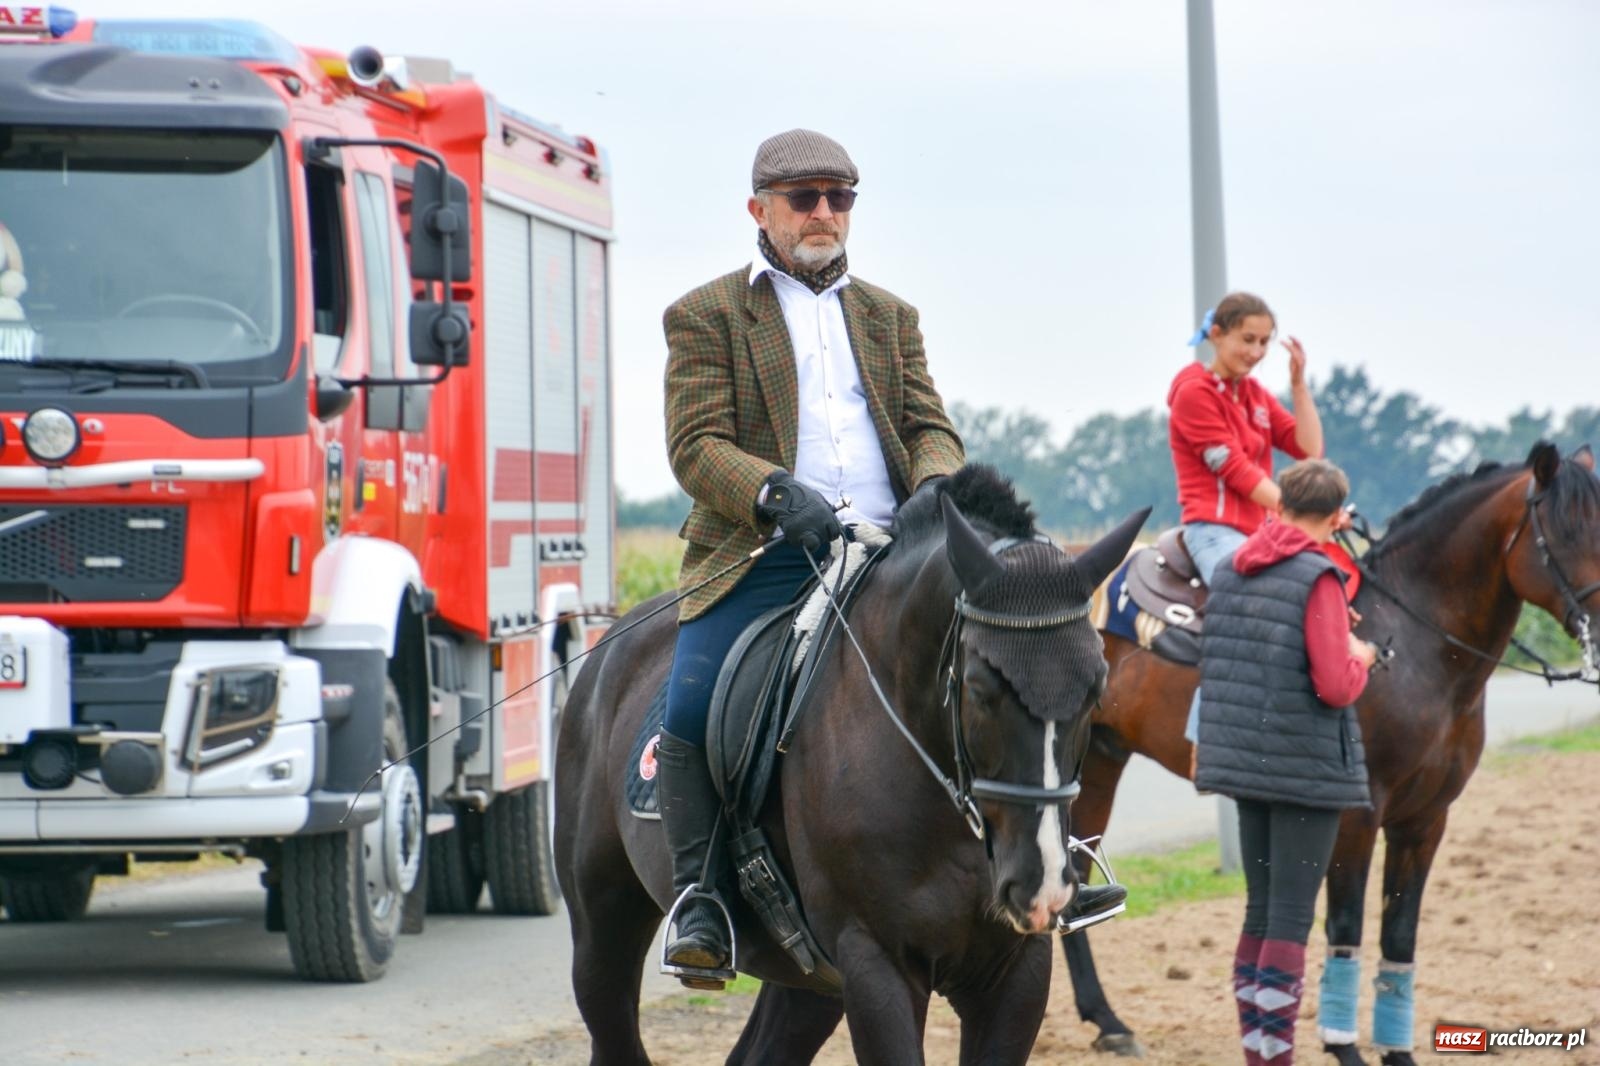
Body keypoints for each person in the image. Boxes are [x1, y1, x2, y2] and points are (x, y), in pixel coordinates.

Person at [655, 129, 967, 986]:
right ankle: (701, 899)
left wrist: (937, 482)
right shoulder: (707, 312)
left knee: (1011, 665)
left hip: (893, 552)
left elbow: (929, 426)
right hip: (766, 556)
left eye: (840, 196)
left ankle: (1044, 860)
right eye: (805, 198)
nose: (825, 212)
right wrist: (770, 491)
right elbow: (696, 443)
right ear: (760, 209)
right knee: (689, 709)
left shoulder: (890, 316)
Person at [1193, 459, 1379, 1066]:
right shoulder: (1318, 576)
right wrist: (1362, 655)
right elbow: (1334, 685)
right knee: (1293, 920)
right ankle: (1274, 1057)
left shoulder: (1231, 568)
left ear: (1278, 507)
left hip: (1248, 766)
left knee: (1260, 911)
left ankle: (1259, 1052)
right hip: (1306, 771)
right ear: (1335, 516)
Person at [1169, 292, 1334, 753]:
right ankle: (1207, 742)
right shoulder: (1192, 392)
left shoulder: (1256, 395)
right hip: (1212, 531)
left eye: (1264, 342)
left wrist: (1299, 387)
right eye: (1247, 339)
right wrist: (1306, 517)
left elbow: (1308, 449)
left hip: (1263, 531)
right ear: (1216, 334)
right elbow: (1238, 472)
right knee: (1242, 607)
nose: (1256, 352)